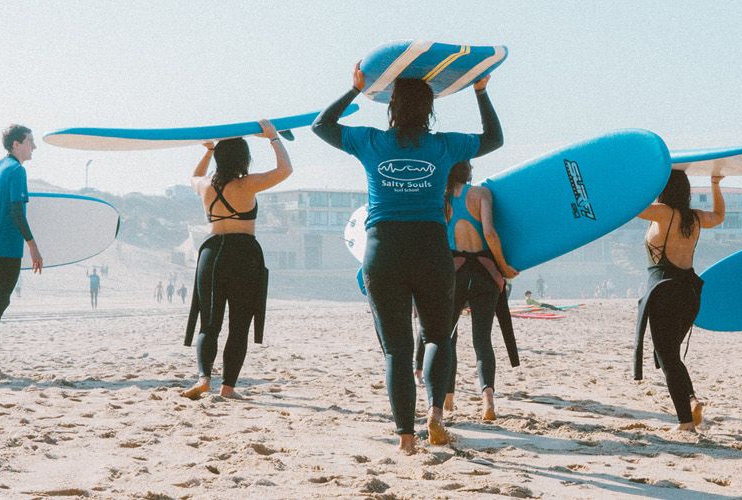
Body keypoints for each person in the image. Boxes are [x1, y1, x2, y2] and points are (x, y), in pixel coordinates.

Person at [314, 62, 502, 455]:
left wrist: (354, 89)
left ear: (391, 107)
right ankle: (435, 415)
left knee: (397, 350)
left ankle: (405, 438)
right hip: (431, 248)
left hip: (383, 250)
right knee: (437, 335)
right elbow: (494, 139)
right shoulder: (444, 145)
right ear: (430, 109)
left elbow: (321, 125)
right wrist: (480, 91)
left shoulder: (370, 142)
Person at [180, 120, 290, 400]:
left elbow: (193, 176)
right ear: (244, 159)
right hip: (244, 254)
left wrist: (207, 151)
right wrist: (273, 138)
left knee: (209, 323)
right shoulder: (249, 184)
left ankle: (204, 378)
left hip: (212, 253)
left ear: (219, 159)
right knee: (239, 324)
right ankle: (228, 388)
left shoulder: (205, 186)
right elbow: (285, 170)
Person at [425, 160, 519, 441]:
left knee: (446, 337)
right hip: (484, 273)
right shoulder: (481, 194)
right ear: (468, 171)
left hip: (453, 273)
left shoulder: (440, 199)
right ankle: (488, 400)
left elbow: (436, 238)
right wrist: (502, 267)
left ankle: (446, 400)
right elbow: (489, 233)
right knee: (482, 339)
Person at [631, 172, 724, 432]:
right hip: (690, 293)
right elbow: (719, 216)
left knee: (667, 357)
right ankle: (691, 399)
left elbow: (633, 207)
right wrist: (715, 184)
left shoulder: (662, 213)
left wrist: (649, 178)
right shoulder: (694, 217)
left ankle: (685, 422)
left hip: (665, 291)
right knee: (671, 355)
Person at [0, 125, 44, 378]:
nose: (33, 146)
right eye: (30, 141)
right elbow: (16, 211)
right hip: (6, 247)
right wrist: (33, 246)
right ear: (16, 144)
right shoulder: (17, 171)